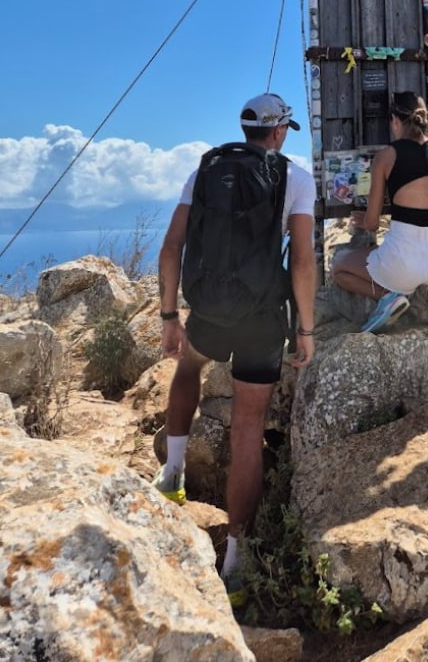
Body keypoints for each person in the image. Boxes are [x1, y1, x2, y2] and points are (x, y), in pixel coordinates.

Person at [153, 93, 316, 605]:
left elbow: (170, 247)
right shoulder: (294, 176)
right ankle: (235, 562)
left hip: (209, 310)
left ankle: (172, 473)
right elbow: (304, 259)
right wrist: (306, 329)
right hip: (261, 317)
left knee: (190, 367)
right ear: (279, 131)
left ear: (244, 129)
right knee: (247, 431)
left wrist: (168, 318)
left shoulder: (205, 169)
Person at [331, 91, 428, 333]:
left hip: (402, 264)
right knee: (419, 257)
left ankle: (391, 296)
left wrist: (366, 219)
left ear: (395, 121)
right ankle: (425, 296)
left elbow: (370, 224)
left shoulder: (387, 156)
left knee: (339, 268)